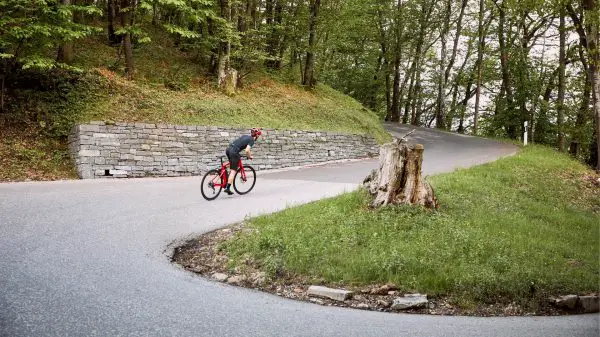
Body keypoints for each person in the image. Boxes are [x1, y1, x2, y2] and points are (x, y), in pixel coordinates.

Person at [224, 128, 262, 195]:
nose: (258, 137)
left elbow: (238, 143)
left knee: (231, 164)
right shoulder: (251, 140)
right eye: (258, 136)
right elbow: (247, 150)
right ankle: (227, 188)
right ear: (256, 136)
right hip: (234, 152)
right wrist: (249, 156)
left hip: (228, 149)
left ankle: (221, 172)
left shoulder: (244, 136)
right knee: (233, 170)